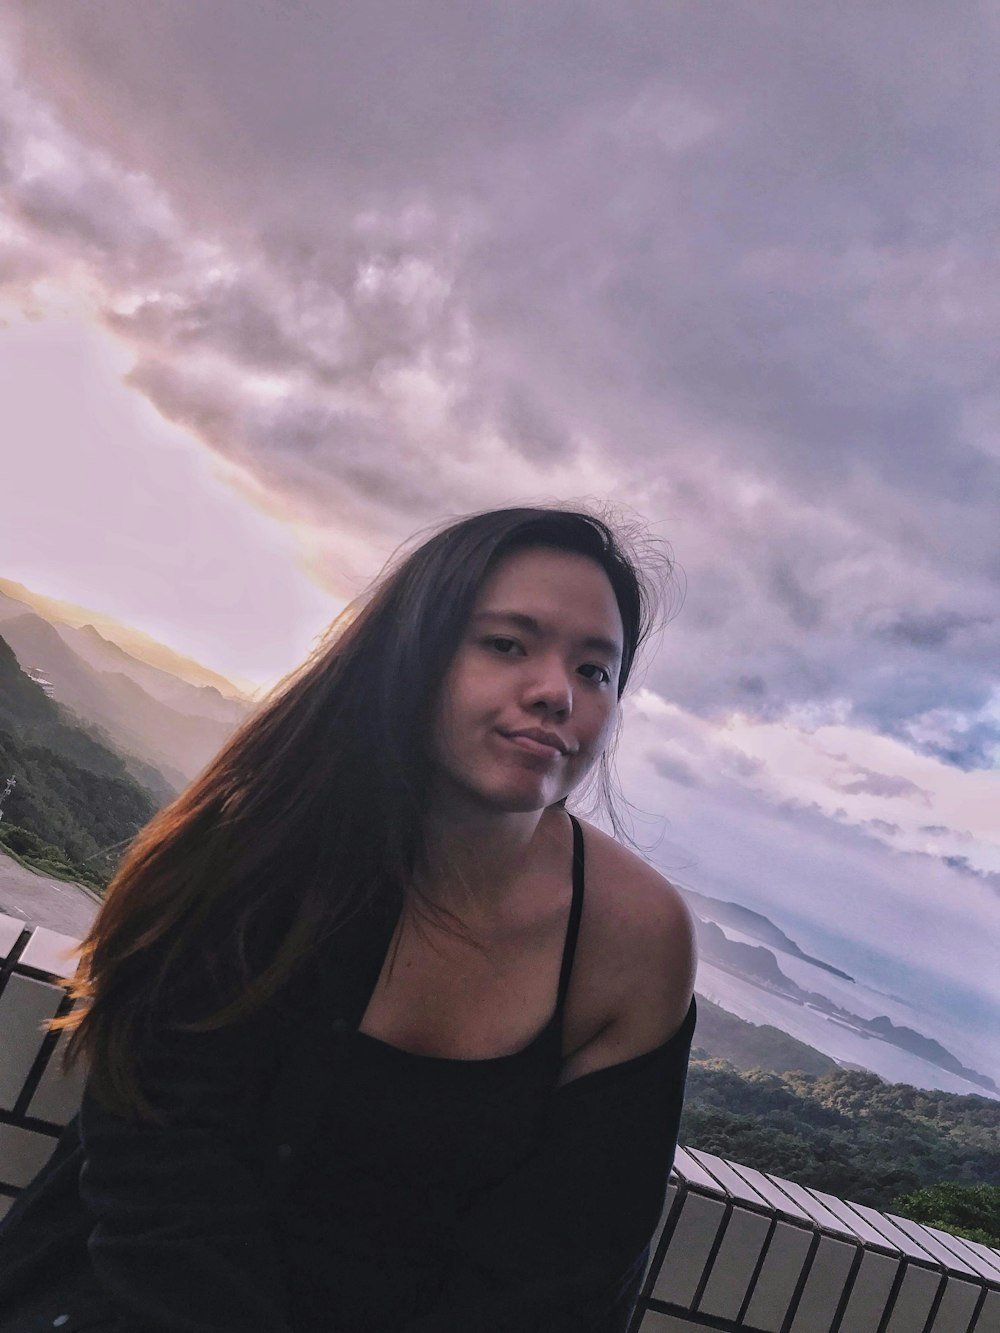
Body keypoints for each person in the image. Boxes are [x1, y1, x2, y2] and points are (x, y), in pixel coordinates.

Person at [0, 506, 697, 1333]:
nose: (556, 692)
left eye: (595, 670)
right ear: (415, 653)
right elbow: (161, 1164)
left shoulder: (634, 942)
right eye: (507, 644)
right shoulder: (268, 834)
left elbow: (568, 1271)